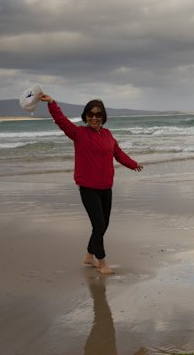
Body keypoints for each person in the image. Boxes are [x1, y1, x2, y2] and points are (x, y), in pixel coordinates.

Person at [40, 94, 143, 275]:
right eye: (90, 114)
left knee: (103, 225)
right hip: (88, 188)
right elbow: (61, 121)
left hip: (106, 187)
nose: (94, 118)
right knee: (98, 226)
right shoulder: (79, 134)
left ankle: (88, 256)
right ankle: (101, 262)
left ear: (103, 117)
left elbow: (118, 153)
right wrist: (51, 103)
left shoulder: (108, 135)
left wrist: (133, 164)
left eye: (98, 114)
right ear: (85, 116)